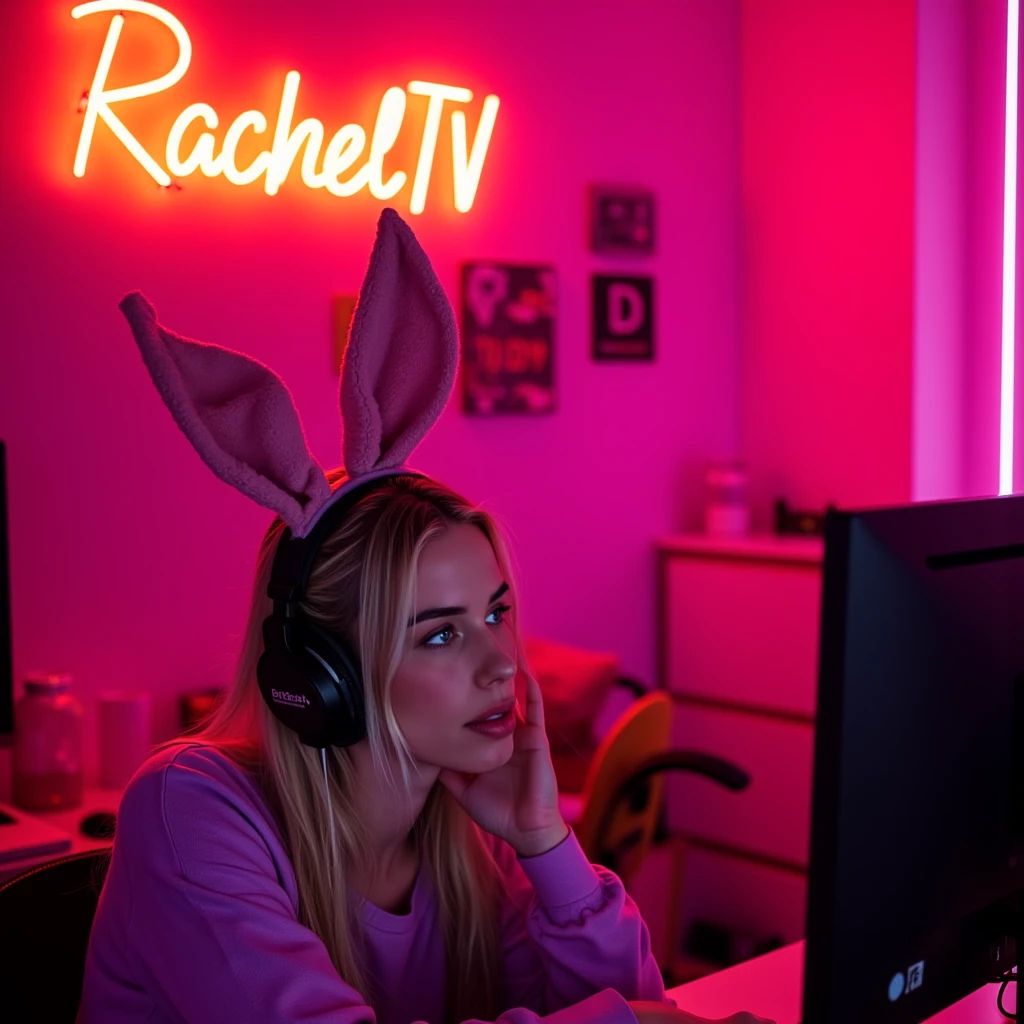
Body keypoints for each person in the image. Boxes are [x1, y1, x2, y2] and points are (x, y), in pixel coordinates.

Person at [79, 209, 774, 1024]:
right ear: (319, 675)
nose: (502, 664)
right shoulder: (190, 810)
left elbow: (631, 1002)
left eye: (497, 613)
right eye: (441, 633)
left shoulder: (467, 825)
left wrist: (547, 844)